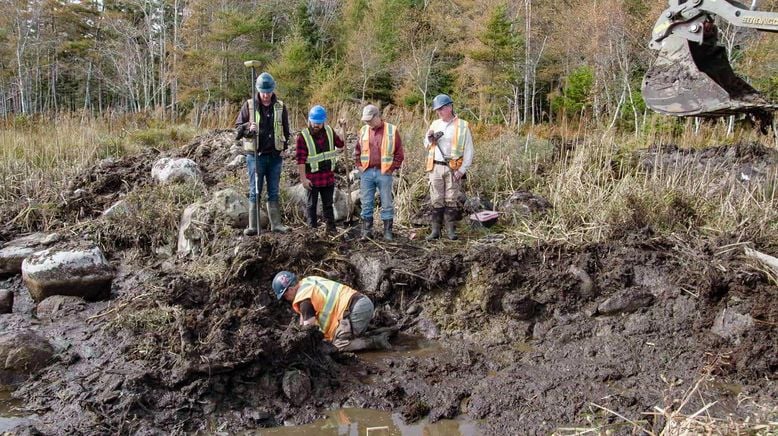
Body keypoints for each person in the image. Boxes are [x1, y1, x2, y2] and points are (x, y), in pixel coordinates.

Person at [271, 271, 390, 351]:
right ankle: (386, 332)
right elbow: (304, 318)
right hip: (362, 303)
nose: (286, 299)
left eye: (284, 296)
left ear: (290, 289)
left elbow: (307, 330)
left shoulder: (304, 300)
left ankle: (376, 341)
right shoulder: (308, 281)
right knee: (343, 335)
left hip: (355, 311)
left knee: (336, 346)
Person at [234, 72, 291, 235]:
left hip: (274, 157)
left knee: (273, 191)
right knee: (255, 190)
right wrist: (247, 128)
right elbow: (238, 130)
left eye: (269, 92)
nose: (266, 95)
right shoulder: (249, 105)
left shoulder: (280, 106)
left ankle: (276, 224)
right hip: (255, 157)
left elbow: (286, 131)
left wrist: (284, 147)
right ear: (258, 90)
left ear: (273, 89)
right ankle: (253, 226)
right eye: (263, 92)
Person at [423, 94, 474, 240]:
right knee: (436, 198)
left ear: (450, 107)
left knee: (451, 199)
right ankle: (435, 231)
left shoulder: (463, 125)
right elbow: (426, 144)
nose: (439, 112)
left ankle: (451, 231)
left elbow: (469, 150)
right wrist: (429, 138)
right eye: (437, 109)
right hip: (435, 167)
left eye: (441, 109)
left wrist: (462, 170)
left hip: (453, 168)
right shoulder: (435, 124)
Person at [354, 104, 405, 241]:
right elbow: (357, 151)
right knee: (366, 202)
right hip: (366, 172)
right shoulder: (363, 130)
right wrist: (358, 166)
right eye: (365, 120)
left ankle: (387, 232)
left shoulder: (391, 130)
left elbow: (399, 153)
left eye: (370, 120)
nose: (367, 122)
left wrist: (391, 168)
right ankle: (366, 231)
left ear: (377, 116)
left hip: (384, 173)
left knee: (387, 203)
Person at [296, 105, 345, 234]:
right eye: (314, 122)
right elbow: (300, 159)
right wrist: (303, 179)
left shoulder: (329, 131)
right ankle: (312, 232)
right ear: (309, 120)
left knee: (328, 204)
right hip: (312, 177)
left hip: (328, 176)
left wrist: (341, 128)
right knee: (311, 205)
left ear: (324, 121)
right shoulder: (303, 136)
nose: (316, 125)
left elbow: (341, 143)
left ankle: (331, 229)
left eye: (319, 123)